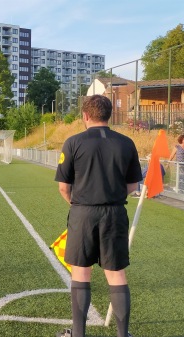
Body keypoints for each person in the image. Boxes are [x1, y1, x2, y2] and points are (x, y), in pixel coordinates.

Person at [55, 95, 141, 337]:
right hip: (114, 213)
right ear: (109, 115)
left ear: (85, 116)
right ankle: (123, 335)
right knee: (116, 274)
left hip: (83, 212)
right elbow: (133, 185)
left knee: (81, 271)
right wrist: (111, 196)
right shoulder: (127, 143)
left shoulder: (73, 142)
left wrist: (80, 204)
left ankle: (78, 334)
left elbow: (63, 187)